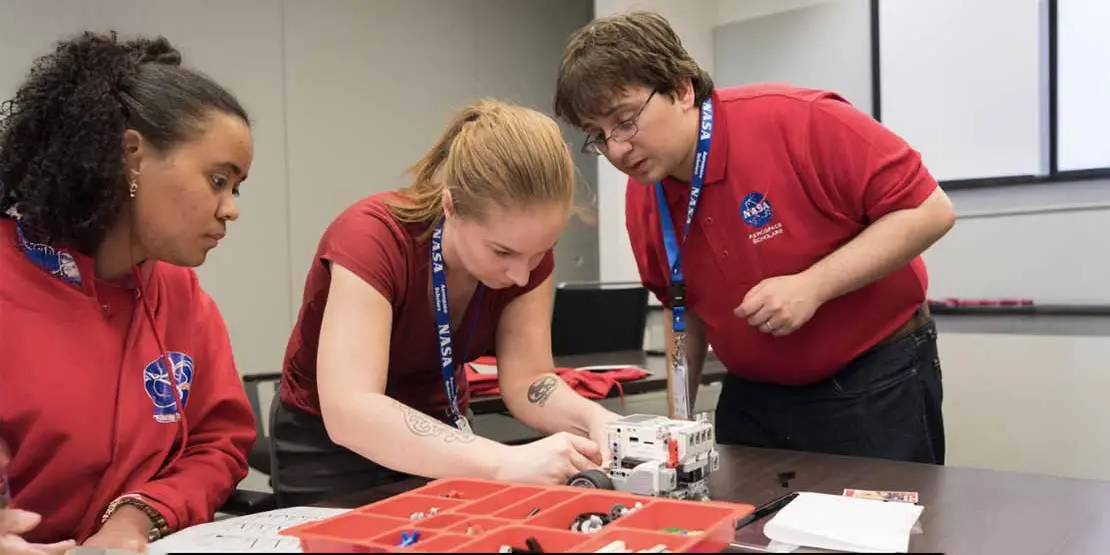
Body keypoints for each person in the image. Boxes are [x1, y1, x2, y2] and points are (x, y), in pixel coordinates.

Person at [553, 11, 956, 465]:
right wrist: (678, 423)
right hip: (754, 396)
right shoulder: (645, 196)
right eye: (598, 137)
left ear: (682, 90)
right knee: (742, 530)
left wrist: (812, 286)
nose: (617, 150)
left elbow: (930, 210)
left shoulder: (799, 120)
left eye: (625, 122)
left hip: (872, 379)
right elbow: (681, 305)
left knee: (882, 533)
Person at [272, 99, 622, 507]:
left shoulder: (525, 257)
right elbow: (351, 409)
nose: (522, 276)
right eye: (502, 252)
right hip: (331, 449)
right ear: (451, 206)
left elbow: (528, 380)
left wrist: (598, 420)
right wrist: (504, 461)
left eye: (540, 252)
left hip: (443, 429)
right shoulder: (370, 240)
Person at [0, 31, 257, 550]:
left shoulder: (183, 296)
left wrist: (135, 521)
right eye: (217, 180)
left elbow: (217, 442)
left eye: (236, 188)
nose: (231, 208)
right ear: (134, 156)